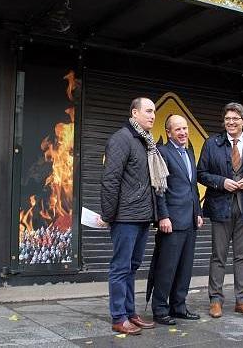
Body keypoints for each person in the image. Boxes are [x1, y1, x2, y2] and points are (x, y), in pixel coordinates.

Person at [100, 97, 169, 335]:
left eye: (154, 112)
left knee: (132, 266)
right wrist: (109, 215)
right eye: (148, 111)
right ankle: (118, 317)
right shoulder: (122, 139)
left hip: (141, 217)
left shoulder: (145, 142)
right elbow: (110, 180)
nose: (152, 116)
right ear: (134, 113)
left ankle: (130, 312)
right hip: (125, 217)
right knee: (121, 267)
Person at [197, 102, 243, 318]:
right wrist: (221, 182)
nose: (231, 122)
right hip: (220, 207)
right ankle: (216, 300)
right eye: (227, 119)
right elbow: (201, 173)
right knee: (218, 256)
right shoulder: (212, 144)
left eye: (235, 119)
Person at [151, 114, 204, 325]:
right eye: (178, 130)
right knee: (167, 267)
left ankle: (179, 306)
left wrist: (198, 213)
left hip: (190, 220)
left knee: (184, 267)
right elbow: (159, 188)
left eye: (185, 129)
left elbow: (192, 187)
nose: (183, 133)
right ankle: (160, 309)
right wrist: (163, 216)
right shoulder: (162, 153)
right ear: (168, 133)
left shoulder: (189, 152)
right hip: (171, 221)